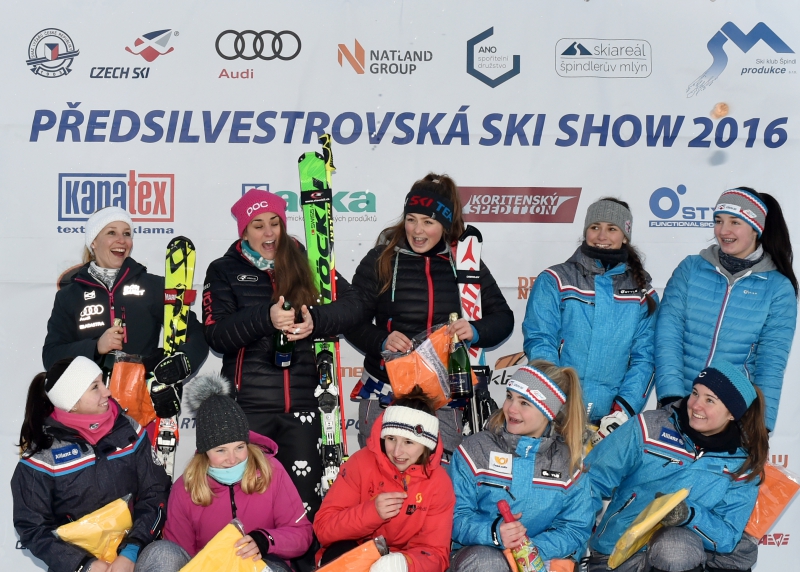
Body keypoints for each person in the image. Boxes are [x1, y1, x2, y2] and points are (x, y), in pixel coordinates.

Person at [202, 188, 363, 522]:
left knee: (303, 511)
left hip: (304, 409)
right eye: (258, 225)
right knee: (251, 508)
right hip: (250, 410)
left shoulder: (308, 262)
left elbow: (354, 306)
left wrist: (315, 320)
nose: (269, 233)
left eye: (275, 223)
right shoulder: (223, 270)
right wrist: (266, 318)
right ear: (244, 231)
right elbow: (217, 335)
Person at [345, 173, 514, 456]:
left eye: (428, 222)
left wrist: (475, 330)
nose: (417, 230)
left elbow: (503, 318)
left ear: (445, 224)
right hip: (385, 389)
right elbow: (351, 321)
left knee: (437, 475)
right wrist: (382, 340)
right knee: (378, 473)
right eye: (411, 219)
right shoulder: (381, 259)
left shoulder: (464, 264)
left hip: (443, 395)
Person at [585, 360, 768, 572]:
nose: (696, 405)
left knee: (676, 548)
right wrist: (571, 544)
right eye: (695, 393)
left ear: (732, 413)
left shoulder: (741, 464)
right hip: (617, 554)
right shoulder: (649, 428)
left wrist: (690, 515)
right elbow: (591, 480)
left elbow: (727, 537)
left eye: (710, 400)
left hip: (679, 554)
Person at [136, 373, 313, 572]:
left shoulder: (271, 471)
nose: (232, 459)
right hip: (207, 568)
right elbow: (179, 552)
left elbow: (302, 535)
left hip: (260, 564)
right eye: (221, 451)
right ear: (205, 453)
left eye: (239, 447)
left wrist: (267, 540)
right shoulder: (185, 487)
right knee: (162, 552)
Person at [42, 206, 208, 419]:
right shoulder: (70, 295)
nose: (122, 240)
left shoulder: (153, 287)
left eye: (127, 233)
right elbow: (51, 356)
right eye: (111, 232)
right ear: (93, 242)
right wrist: (95, 347)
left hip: (143, 405)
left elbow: (197, 332)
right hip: (90, 407)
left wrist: (184, 360)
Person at [656, 187, 798, 432]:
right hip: (680, 406)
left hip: (732, 416)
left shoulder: (778, 288)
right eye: (718, 221)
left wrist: (761, 427)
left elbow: (771, 364)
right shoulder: (690, 269)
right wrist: (672, 398)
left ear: (756, 228)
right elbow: (667, 336)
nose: (723, 231)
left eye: (735, 222)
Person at [11, 356, 170, 572]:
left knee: (167, 556)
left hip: (132, 555)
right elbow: (32, 527)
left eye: (102, 382)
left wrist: (131, 551)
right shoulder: (43, 454)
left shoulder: (129, 429)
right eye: (95, 387)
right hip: (79, 565)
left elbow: (156, 491)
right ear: (72, 401)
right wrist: (84, 564)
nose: (107, 392)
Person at [522, 198, 658, 436]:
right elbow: (540, 340)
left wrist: (622, 411)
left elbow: (645, 358)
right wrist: (555, 398)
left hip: (610, 420)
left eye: (612, 228)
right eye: (595, 227)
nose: (602, 236)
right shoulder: (555, 280)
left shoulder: (643, 293)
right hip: (557, 412)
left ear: (625, 236)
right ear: (585, 231)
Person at [449, 361, 593, 571]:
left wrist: (530, 550)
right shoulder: (475, 449)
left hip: (539, 556)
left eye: (524, 402)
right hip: (481, 553)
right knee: (488, 564)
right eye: (509, 397)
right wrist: (494, 533)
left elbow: (575, 527)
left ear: (549, 412)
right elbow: (454, 516)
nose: (511, 408)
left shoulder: (568, 463)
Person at [313, 387, 455, 572]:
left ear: (426, 445)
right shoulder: (361, 463)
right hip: (355, 554)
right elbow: (324, 529)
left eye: (408, 442)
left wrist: (404, 563)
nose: (397, 452)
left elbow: (435, 553)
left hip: (405, 562)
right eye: (391, 438)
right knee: (338, 552)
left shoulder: (438, 483)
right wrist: (372, 513)